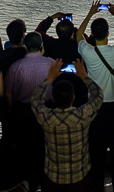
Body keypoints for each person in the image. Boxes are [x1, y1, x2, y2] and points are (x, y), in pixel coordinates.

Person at [77, 0, 114, 190]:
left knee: (96, 151)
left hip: (95, 106)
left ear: (92, 34)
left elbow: (78, 35)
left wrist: (91, 13)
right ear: (108, 34)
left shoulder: (88, 51)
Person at [31, 57, 105, 191]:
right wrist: (84, 75)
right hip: (80, 176)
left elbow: (35, 98)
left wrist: (49, 78)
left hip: (54, 177)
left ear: (52, 98)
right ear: (73, 98)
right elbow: (98, 95)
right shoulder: (83, 115)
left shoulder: (46, 117)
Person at [3, 32, 53, 192]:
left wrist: (12, 111)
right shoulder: (51, 63)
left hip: (22, 111)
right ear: (41, 45)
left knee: (24, 148)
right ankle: (40, 179)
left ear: (25, 46)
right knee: (42, 147)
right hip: (45, 110)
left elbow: (9, 93)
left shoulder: (16, 66)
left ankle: (27, 181)